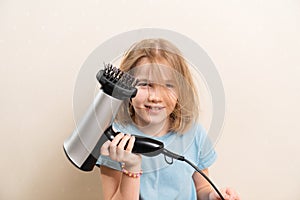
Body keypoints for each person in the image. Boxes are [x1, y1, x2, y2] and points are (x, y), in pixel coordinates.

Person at [97, 38, 240, 200]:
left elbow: (202, 187)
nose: (156, 97)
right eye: (145, 84)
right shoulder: (115, 140)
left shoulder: (193, 134)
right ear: (126, 87)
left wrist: (213, 196)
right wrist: (132, 167)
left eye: (168, 85)